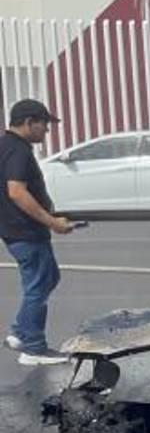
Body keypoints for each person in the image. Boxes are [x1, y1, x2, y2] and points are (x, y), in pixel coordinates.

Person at [0, 99, 73, 365]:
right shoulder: (18, 151)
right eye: (44, 124)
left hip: (17, 230)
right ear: (29, 122)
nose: (47, 130)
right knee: (39, 284)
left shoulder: (6, 146)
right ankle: (33, 348)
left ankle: (20, 333)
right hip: (25, 232)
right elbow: (16, 191)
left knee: (48, 278)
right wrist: (52, 222)